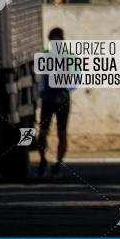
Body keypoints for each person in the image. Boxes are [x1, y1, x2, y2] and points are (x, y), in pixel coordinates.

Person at [37, 27, 73, 177]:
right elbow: (40, 78)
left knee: (62, 133)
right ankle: (43, 160)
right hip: (48, 99)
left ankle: (58, 163)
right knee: (43, 132)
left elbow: (74, 79)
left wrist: (64, 89)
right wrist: (42, 93)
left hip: (62, 99)